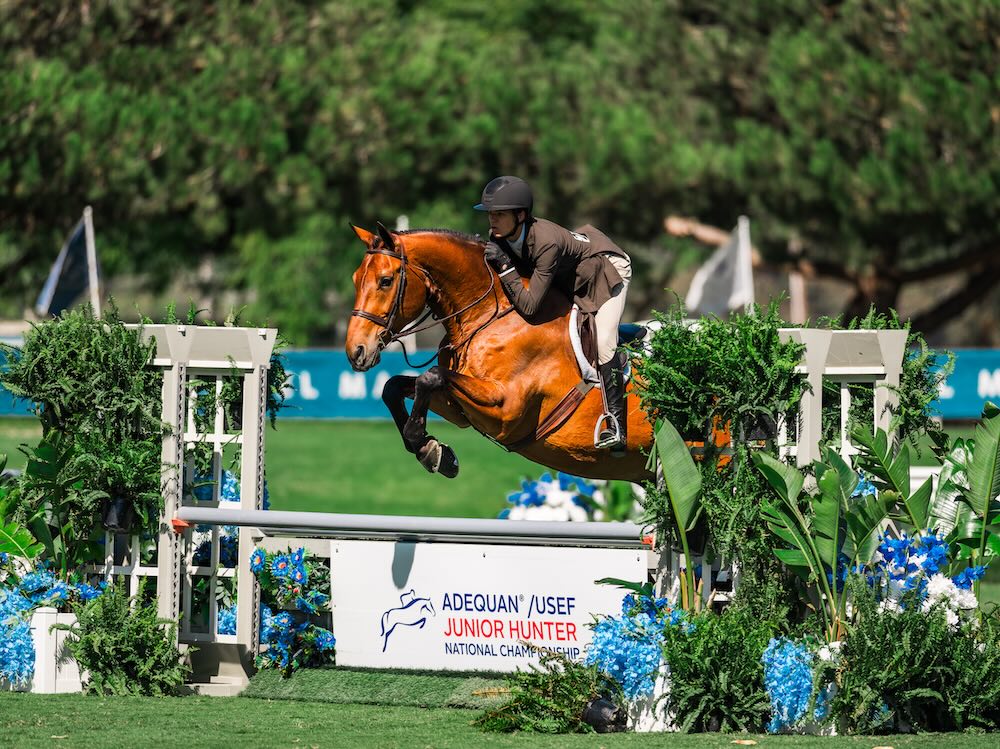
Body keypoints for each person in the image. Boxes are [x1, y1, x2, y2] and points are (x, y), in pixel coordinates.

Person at [474, 175, 632, 454]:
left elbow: (531, 306)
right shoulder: (500, 237)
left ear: (520, 215)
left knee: (604, 342)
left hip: (608, 271)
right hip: (573, 278)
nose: (492, 220)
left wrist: (506, 269)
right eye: (490, 214)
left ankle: (616, 424)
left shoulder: (545, 242)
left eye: (499, 214)